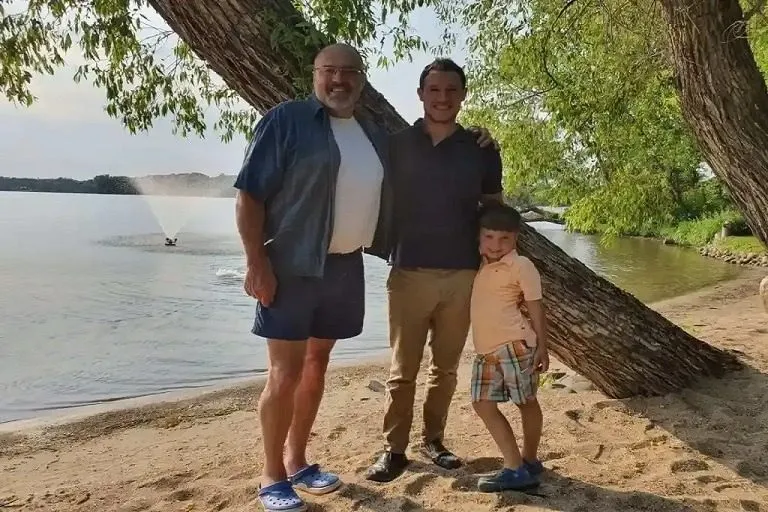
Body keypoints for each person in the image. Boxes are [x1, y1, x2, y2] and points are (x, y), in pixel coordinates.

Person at [234, 44, 496, 511]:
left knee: (316, 366)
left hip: (344, 265)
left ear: (362, 79)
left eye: (349, 72)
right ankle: (272, 475)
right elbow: (250, 194)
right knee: (285, 371)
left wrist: (479, 136)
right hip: (292, 264)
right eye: (329, 71)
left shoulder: (375, 135)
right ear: (315, 75)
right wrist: (256, 261)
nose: (339, 80)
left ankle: (297, 460)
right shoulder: (287, 120)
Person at [365, 58, 505, 482]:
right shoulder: (395, 144)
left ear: (462, 95)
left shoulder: (481, 150)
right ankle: (393, 449)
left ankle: (434, 440)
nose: (442, 98)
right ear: (421, 94)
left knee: (444, 368)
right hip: (408, 271)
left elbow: (495, 210)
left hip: (463, 274)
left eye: (451, 90)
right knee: (401, 370)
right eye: (435, 90)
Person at [469, 204, 549, 492]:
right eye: (489, 237)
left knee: (526, 402)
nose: (495, 245)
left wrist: (543, 346)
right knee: (482, 403)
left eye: (504, 239)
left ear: (515, 239)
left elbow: (536, 307)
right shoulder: (479, 262)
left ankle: (525, 462)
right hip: (486, 350)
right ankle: (516, 464)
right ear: (479, 237)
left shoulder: (521, 266)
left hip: (515, 346)